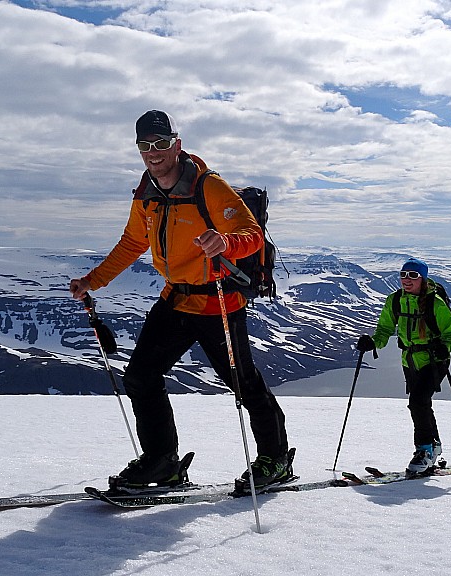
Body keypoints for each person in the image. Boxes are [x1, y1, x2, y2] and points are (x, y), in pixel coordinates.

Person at [69, 110, 290, 490]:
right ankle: (162, 462)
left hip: (218, 302)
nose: (153, 152)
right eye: (145, 145)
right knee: (140, 376)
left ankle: (275, 459)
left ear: (176, 144)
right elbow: (132, 242)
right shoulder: (146, 195)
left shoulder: (208, 186)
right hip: (177, 299)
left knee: (244, 384)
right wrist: (94, 280)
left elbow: (250, 234)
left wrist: (226, 242)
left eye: (161, 143)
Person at [355, 257, 451, 475]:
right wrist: (373, 342)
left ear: (423, 278)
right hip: (409, 360)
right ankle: (434, 444)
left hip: (434, 360)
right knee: (422, 403)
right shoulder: (394, 301)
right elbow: (384, 329)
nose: (406, 280)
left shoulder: (435, 303)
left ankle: (424, 451)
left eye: (413, 275)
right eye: (403, 275)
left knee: (417, 402)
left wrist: (444, 347)